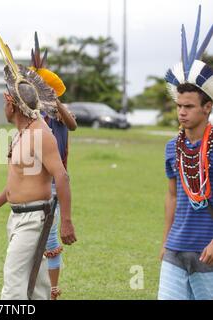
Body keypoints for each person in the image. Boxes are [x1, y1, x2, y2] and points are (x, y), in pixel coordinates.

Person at [0, 29, 76, 300]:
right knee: (37, 288)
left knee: (13, 287)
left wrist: (66, 221)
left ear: (12, 104)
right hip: (18, 216)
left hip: (35, 218)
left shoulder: (39, 133)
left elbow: (62, 177)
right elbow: (17, 179)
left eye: (4, 101)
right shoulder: (21, 133)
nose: (2, 106)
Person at [158, 6, 213, 300]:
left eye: (189, 106)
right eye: (179, 106)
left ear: (208, 107)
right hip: (176, 250)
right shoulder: (172, 147)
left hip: (209, 252)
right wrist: (165, 241)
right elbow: (172, 194)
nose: (182, 112)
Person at [29, 32, 78, 300]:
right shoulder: (33, 114)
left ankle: (53, 292)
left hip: (52, 184)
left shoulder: (57, 111)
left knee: (48, 241)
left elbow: (72, 125)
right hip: (32, 182)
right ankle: (39, 290)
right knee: (32, 239)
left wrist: (53, 98)